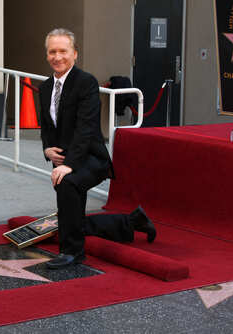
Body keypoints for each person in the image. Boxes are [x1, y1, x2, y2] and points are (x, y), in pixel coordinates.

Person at [39, 28, 156, 269]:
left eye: (63, 51)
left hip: (90, 159)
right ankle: (132, 222)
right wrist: (47, 149)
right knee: (73, 217)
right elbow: (47, 126)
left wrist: (69, 165)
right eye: (52, 51)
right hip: (63, 159)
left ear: (75, 54)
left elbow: (86, 128)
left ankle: (72, 253)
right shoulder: (45, 87)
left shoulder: (86, 82)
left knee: (68, 186)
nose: (57, 57)